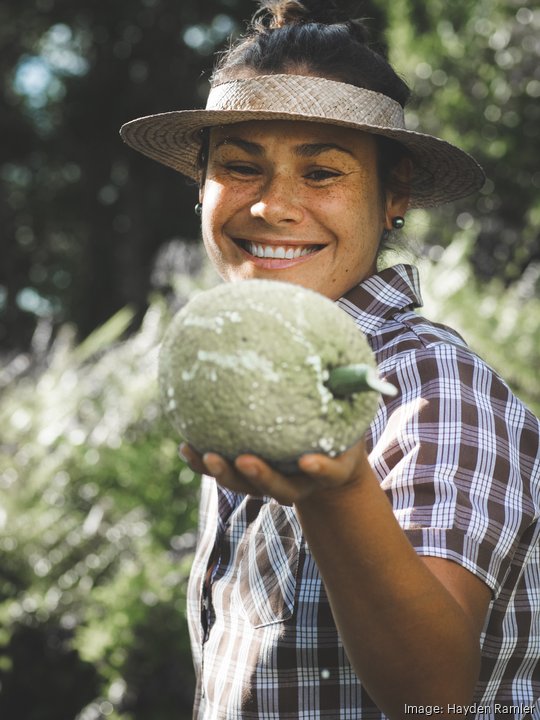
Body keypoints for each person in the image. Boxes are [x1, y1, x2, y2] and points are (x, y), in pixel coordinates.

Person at [120, 1, 540, 718]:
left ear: (393, 195)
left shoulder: (429, 387)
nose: (273, 207)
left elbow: (433, 698)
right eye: (240, 167)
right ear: (202, 186)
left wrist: (338, 493)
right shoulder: (249, 383)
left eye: (321, 173)